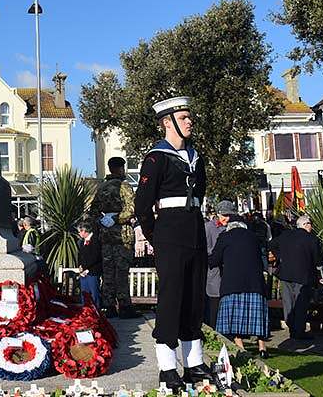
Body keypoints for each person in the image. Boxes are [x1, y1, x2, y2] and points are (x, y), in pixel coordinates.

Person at [134, 97, 213, 391]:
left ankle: (194, 363)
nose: (189, 121)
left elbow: (200, 193)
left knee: (194, 298)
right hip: (168, 234)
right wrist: (156, 236)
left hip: (194, 233)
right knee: (171, 300)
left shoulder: (196, 157)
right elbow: (142, 204)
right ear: (168, 123)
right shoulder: (156, 157)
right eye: (183, 117)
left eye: (189, 117)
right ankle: (168, 367)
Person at [209, 214, 270, 358]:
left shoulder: (225, 237)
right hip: (255, 283)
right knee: (257, 318)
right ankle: (262, 347)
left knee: (234, 319)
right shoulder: (253, 237)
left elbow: (214, 260)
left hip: (233, 283)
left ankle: (241, 347)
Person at [91, 156, 137, 318]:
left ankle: (109, 306)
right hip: (122, 235)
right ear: (121, 169)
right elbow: (131, 209)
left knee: (108, 272)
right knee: (122, 272)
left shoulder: (102, 187)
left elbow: (93, 211)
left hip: (106, 235)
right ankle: (124, 307)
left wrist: (103, 220)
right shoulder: (125, 186)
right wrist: (117, 218)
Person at [270, 214, 322, 341]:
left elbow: (271, 244)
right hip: (302, 275)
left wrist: (279, 255)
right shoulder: (311, 239)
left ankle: (292, 327)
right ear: (304, 225)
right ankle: (298, 331)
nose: (311, 226)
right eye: (310, 223)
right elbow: (317, 260)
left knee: (288, 302)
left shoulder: (286, 235)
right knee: (300, 304)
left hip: (285, 274)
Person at [204, 202, 232, 329]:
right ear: (218, 214)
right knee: (214, 302)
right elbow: (206, 249)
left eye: (229, 215)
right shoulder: (208, 227)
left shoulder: (231, 227)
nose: (227, 218)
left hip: (228, 271)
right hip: (214, 271)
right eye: (225, 215)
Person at [76, 220, 102, 308]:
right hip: (83, 272)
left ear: (84, 231)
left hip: (92, 271)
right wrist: (80, 266)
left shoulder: (95, 240)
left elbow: (95, 257)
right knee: (84, 293)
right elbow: (80, 255)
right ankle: (86, 312)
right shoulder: (81, 242)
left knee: (94, 293)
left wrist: (86, 268)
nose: (79, 233)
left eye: (80, 231)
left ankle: (96, 312)